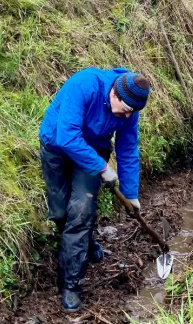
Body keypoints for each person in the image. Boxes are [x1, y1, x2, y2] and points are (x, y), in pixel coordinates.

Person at [39, 68, 151, 313]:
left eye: (132, 112)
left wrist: (131, 193)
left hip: (93, 153)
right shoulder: (84, 85)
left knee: (81, 210)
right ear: (114, 93)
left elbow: (128, 150)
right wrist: (102, 168)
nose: (127, 115)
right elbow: (66, 136)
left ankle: (70, 285)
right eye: (125, 108)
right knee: (59, 214)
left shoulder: (129, 111)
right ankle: (86, 243)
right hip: (56, 145)